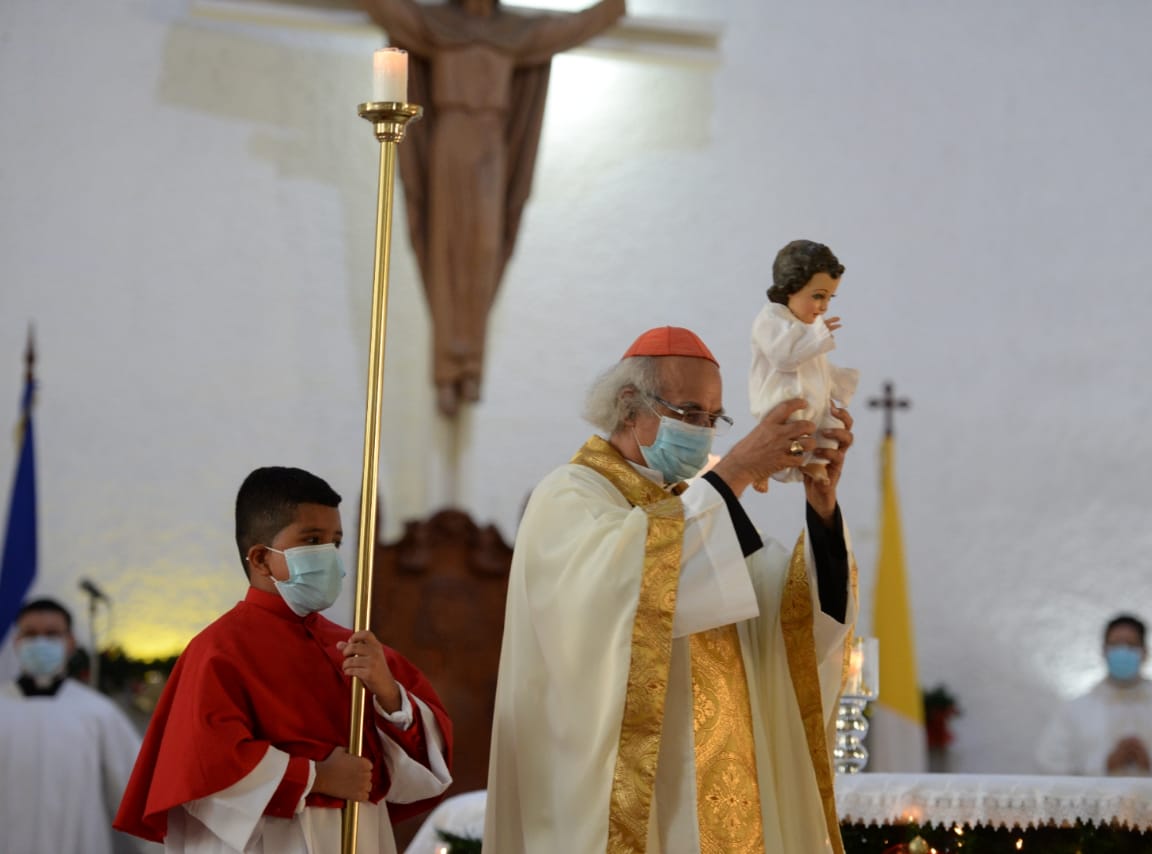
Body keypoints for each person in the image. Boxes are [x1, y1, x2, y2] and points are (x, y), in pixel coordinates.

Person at [484, 326, 858, 853]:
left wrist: (822, 508)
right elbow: (614, 598)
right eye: (689, 412)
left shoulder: (699, 507)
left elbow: (784, 616)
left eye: (713, 418)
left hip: (731, 798)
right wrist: (737, 471)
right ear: (629, 405)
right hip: (641, 797)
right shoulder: (570, 494)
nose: (703, 431)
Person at [114, 467, 454, 853]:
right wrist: (315, 777)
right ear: (261, 558)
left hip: (360, 834)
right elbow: (205, 766)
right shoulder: (218, 650)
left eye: (336, 542)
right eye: (312, 540)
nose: (330, 555)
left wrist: (389, 695)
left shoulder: (356, 647)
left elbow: (428, 764)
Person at [360, 0, 626, 415]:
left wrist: (612, 8)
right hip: (451, 140)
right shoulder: (439, 26)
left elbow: (569, 29)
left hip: (491, 145)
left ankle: (471, 366)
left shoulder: (514, 34)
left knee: (484, 252)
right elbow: (392, 12)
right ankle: (447, 369)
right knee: (446, 252)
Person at [0, 597, 150, 854]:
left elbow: (136, 791)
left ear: (70, 642)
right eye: (31, 634)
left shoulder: (98, 712)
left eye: (51, 634)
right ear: (17, 641)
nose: (40, 642)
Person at [1034, 613, 1152, 778]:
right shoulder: (1075, 712)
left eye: (1131, 645)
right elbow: (1050, 768)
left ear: (1145, 652)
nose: (1123, 651)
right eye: (1115, 644)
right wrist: (1105, 765)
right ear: (1104, 651)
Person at [749, 239, 860, 488]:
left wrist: (837, 381)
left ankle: (816, 463)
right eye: (818, 296)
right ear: (791, 287)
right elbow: (784, 358)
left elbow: (816, 366)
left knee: (832, 425)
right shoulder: (771, 319)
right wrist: (817, 335)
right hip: (784, 400)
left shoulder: (810, 326)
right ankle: (763, 468)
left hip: (815, 400)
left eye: (830, 298)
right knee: (789, 436)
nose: (824, 307)